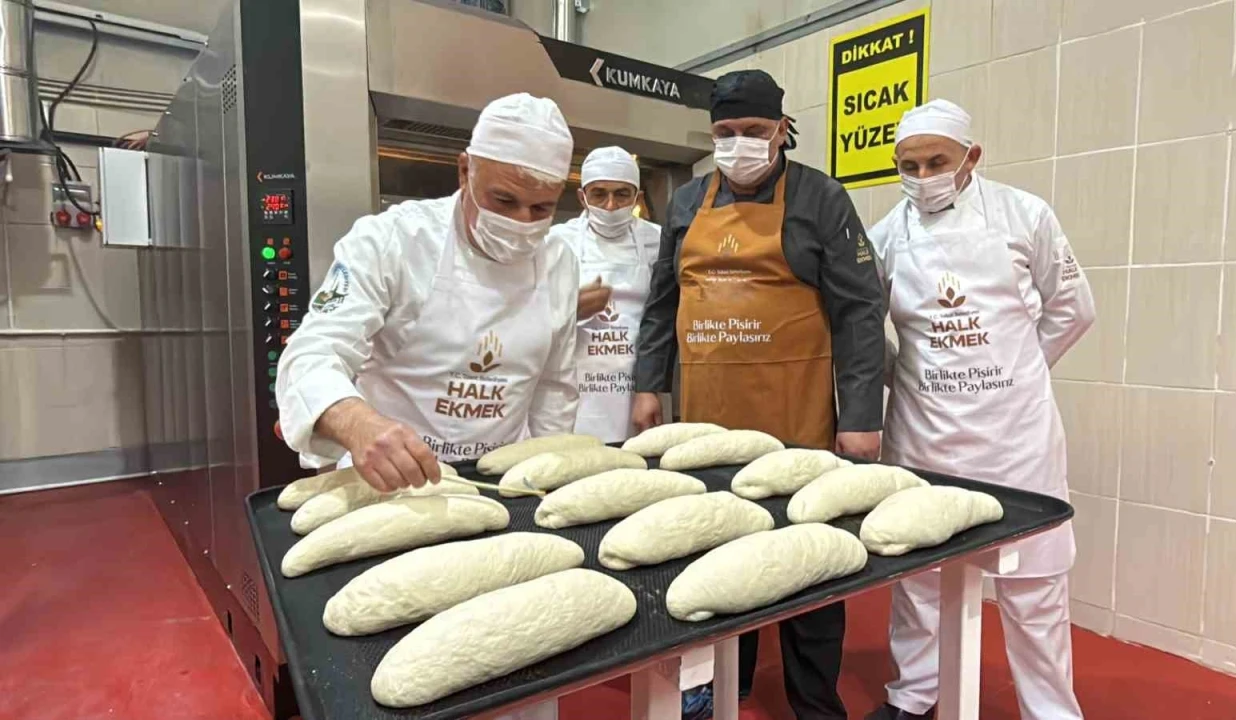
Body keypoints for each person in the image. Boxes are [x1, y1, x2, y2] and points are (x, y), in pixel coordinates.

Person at [632, 69, 886, 720]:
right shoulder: (686, 203)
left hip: (796, 419)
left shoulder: (822, 199)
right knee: (717, 555)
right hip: (709, 425)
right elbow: (663, 300)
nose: (738, 142)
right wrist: (647, 384)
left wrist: (861, 417)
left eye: (751, 131)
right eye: (725, 132)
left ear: (781, 130)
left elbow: (861, 311)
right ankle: (725, 683)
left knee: (811, 562)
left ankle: (814, 704)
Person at [865, 99, 1095, 720]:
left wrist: (1018, 374)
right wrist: (906, 375)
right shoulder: (887, 235)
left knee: (1034, 586)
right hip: (923, 438)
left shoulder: (1025, 215)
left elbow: (1074, 309)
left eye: (936, 161)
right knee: (918, 581)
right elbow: (864, 330)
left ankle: (1050, 710)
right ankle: (914, 696)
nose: (921, 176)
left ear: (971, 157)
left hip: (1016, 441)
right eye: (907, 165)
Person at [275, 91, 579, 497]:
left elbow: (554, 387)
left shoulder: (560, 262)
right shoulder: (392, 241)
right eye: (503, 200)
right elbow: (311, 353)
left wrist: (547, 478)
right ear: (465, 170)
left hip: (497, 486)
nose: (521, 222)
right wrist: (357, 423)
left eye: (541, 209)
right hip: (389, 483)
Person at [547, 146, 662, 442]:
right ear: (582, 196)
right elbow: (524, 318)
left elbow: (663, 318)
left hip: (639, 388)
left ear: (637, 197)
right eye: (599, 194)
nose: (610, 205)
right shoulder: (557, 242)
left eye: (622, 194)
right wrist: (568, 309)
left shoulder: (658, 241)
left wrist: (648, 388)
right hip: (576, 392)